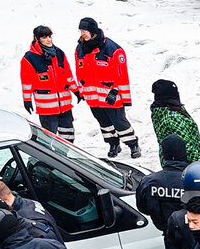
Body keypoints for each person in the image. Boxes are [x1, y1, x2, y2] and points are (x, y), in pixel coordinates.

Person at [74, 17, 136, 159]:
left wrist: (118, 94)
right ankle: (113, 144)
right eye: (81, 30)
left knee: (119, 122)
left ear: (93, 31)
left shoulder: (112, 49)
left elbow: (122, 76)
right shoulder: (80, 49)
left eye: (85, 30)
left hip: (110, 96)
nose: (82, 33)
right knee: (104, 123)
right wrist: (81, 90)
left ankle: (133, 144)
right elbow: (80, 71)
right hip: (93, 97)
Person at [19, 25, 76, 136]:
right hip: (47, 108)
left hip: (65, 106)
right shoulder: (29, 58)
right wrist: (27, 100)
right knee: (50, 137)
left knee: (68, 135)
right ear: (37, 39)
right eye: (44, 37)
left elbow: (68, 74)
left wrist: (76, 91)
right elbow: (26, 82)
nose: (49, 40)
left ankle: (65, 154)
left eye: (50, 36)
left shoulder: (59, 53)